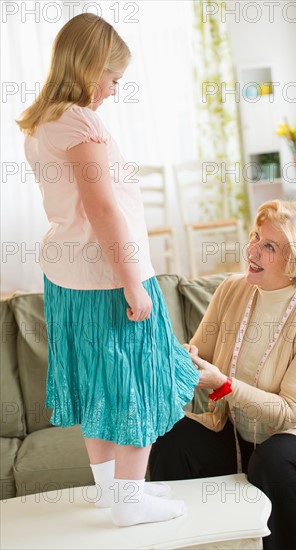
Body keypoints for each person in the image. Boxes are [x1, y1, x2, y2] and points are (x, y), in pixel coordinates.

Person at [16, 13, 199, 527]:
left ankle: (109, 493)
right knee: (136, 378)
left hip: (66, 277)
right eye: (114, 79)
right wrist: (133, 284)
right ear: (92, 67)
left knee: (95, 379)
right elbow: (103, 210)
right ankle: (130, 500)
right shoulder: (79, 122)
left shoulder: (42, 122)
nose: (115, 91)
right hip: (106, 277)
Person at [149, 200, 296, 550]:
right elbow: (201, 352)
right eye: (255, 236)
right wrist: (181, 358)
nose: (251, 249)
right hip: (238, 431)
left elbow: (289, 412)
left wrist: (223, 385)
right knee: (171, 438)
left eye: (268, 246)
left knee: (272, 462)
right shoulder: (233, 289)